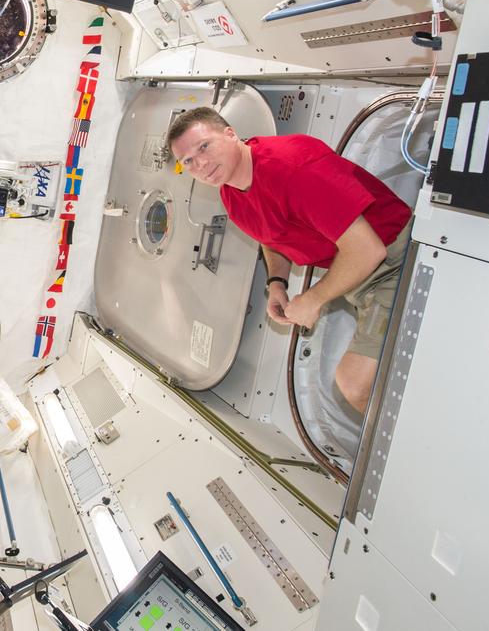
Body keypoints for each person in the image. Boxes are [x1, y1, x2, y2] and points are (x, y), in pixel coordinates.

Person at [167, 107, 412, 417]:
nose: (200, 164)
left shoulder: (294, 168)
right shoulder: (230, 190)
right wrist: (277, 282)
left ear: (230, 134)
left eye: (204, 146)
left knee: (354, 383)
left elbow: (368, 250)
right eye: (187, 161)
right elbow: (268, 236)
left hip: (392, 258)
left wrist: (314, 298)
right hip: (360, 277)